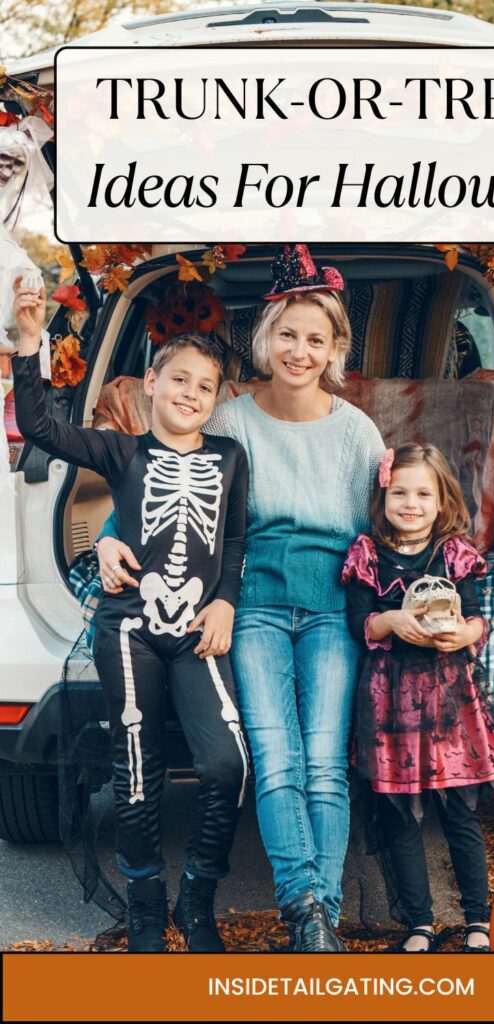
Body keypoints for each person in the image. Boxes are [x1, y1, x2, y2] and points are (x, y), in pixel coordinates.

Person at [95, 244, 386, 951]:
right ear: (264, 337)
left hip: (327, 605)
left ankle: (317, 908)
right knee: (276, 757)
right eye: (286, 332)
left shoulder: (356, 433)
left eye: (316, 338)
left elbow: (387, 528)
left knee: (323, 759)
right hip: (245, 600)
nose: (298, 349)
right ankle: (303, 910)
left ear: (334, 349)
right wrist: (105, 536)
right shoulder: (228, 422)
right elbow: (157, 484)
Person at [12, 278, 250, 954]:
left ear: (217, 398)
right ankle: (146, 903)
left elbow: (233, 541)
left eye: (204, 387)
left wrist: (226, 599)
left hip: (198, 631)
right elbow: (38, 427)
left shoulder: (229, 459)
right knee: (137, 766)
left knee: (227, 763)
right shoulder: (122, 452)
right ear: (150, 381)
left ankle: (197, 895)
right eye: (178, 379)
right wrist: (30, 344)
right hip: (129, 628)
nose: (189, 394)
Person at [342, 443, 494, 952]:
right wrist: (391, 621)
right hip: (390, 701)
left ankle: (477, 919)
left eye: (424, 493)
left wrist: (467, 634)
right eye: (399, 492)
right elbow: (358, 623)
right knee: (401, 812)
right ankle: (419, 921)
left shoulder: (452, 553)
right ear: (383, 496)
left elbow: (474, 615)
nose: (411, 503)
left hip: (448, 699)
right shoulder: (367, 554)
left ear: (442, 499)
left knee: (460, 811)